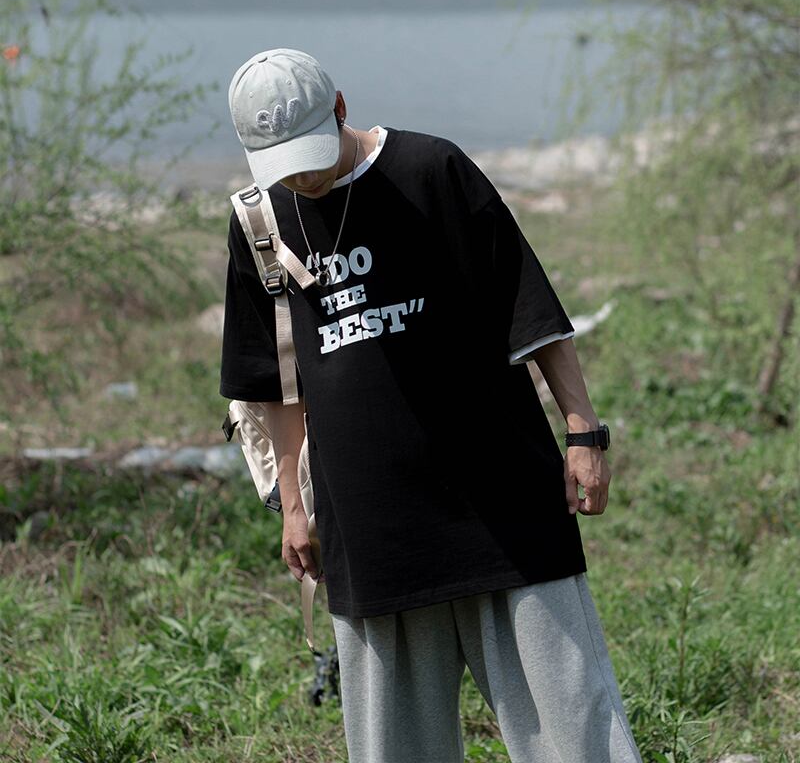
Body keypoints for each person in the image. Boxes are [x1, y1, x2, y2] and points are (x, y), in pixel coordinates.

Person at [221, 48, 643, 763]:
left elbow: (532, 311)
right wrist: (294, 506)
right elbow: (275, 384)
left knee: (575, 730)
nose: (302, 177)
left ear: (341, 109)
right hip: (370, 526)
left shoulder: (430, 170)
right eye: (282, 164)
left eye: (309, 155)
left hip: (503, 504)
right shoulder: (260, 221)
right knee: (395, 749)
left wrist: (584, 433)